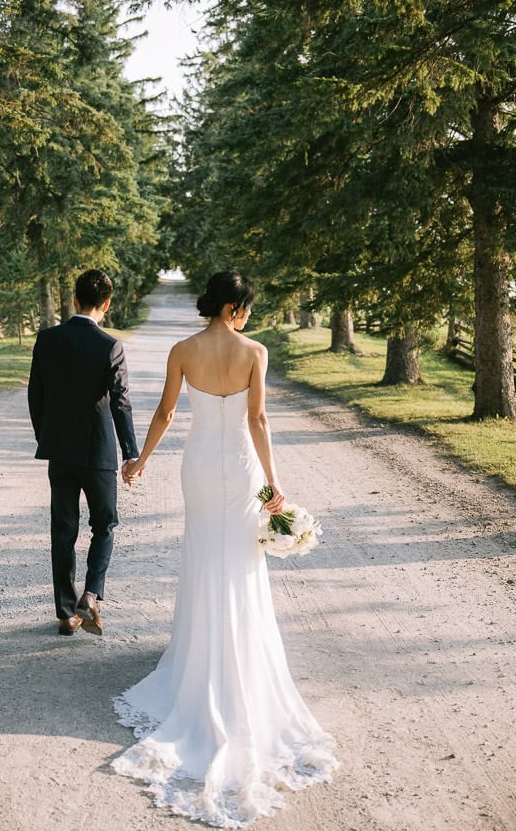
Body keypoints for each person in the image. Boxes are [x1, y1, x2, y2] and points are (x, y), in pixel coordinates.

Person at [112, 271, 337, 827]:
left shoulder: (183, 349)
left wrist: (139, 461)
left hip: (197, 469)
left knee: (203, 555)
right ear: (234, 307)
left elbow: (165, 413)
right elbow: (257, 419)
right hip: (242, 470)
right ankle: (236, 655)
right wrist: (272, 487)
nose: (247, 318)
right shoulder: (253, 351)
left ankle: (197, 654)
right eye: (246, 309)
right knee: (241, 559)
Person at [28, 268, 139, 636]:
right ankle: (91, 595)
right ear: (105, 305)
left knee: (63, 528)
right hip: (99, 452)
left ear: (74, 300)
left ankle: (65, 612)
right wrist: (130, 452)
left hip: (59, 451)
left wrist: (46, 436)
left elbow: (36, 396)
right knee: (104, 525)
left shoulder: (47, 340)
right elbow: (121, 404)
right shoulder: (110, 346)